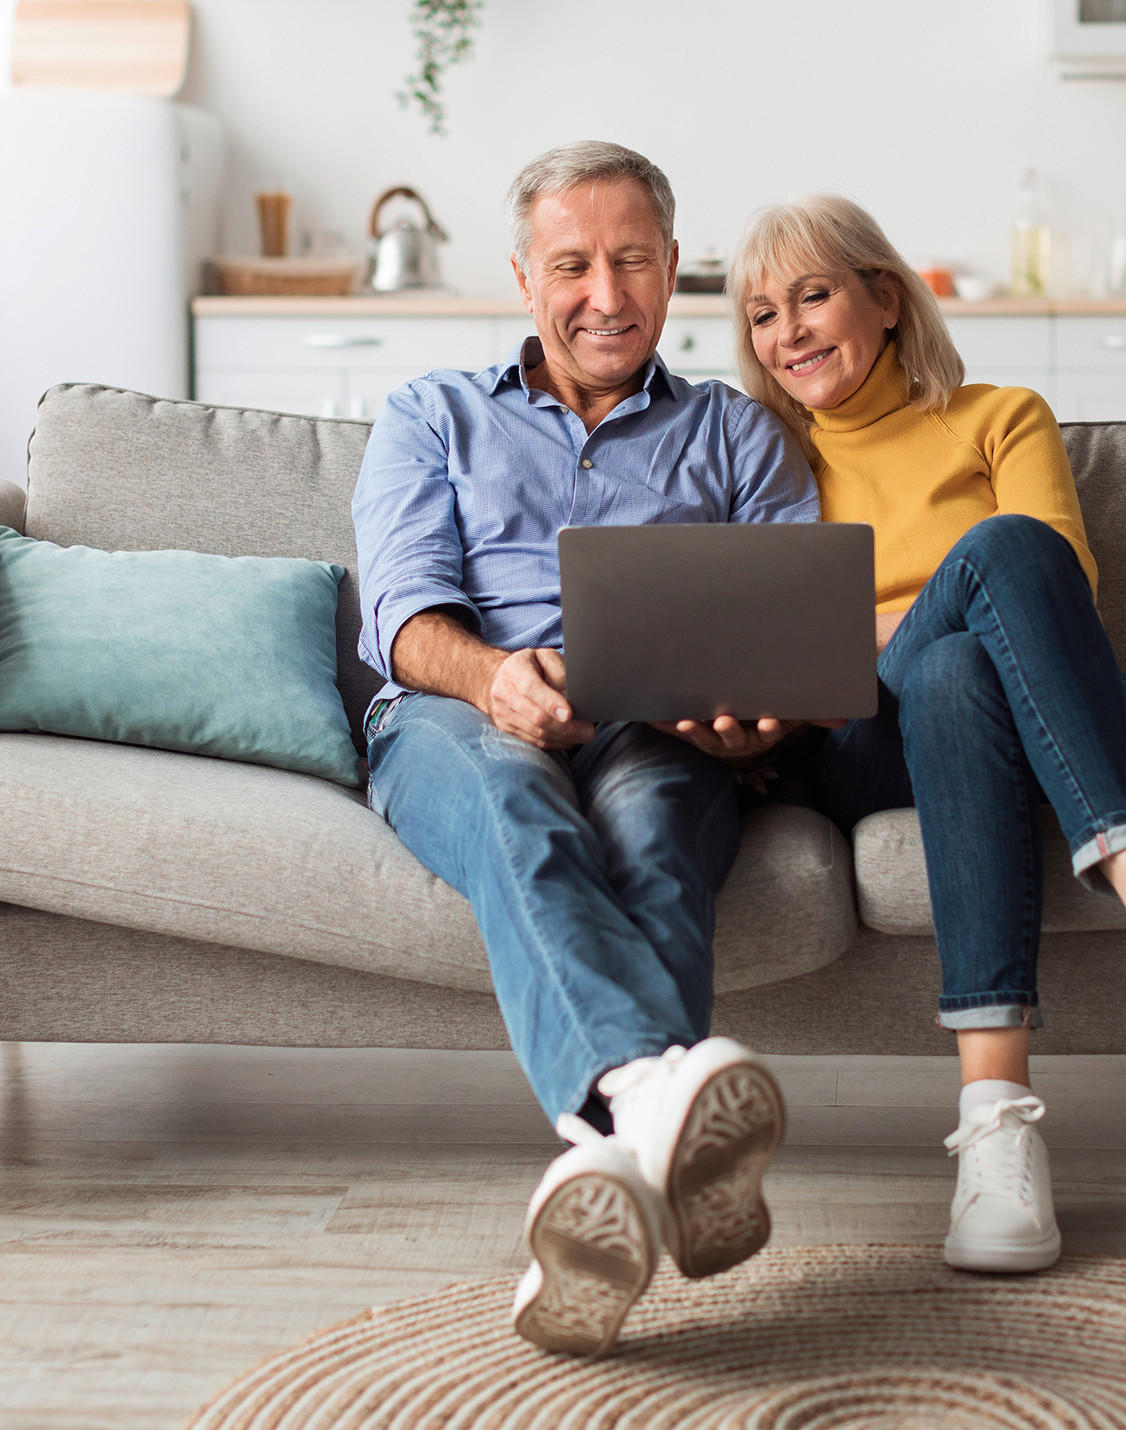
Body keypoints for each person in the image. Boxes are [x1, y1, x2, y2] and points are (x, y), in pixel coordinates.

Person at [729, 196, 1126, 1276]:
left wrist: (868, 624)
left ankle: (997, 1134)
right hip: (871, 741)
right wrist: (885, 629)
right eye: (762, 313)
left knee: (969, 645)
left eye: (813, 294)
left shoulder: (999, 415)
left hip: (1076, 712)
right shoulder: (764, 463)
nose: (789, 331)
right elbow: (783, 644)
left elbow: (1054, 581)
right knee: (957, 630)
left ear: (885, 298)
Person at [353, 142, 818, 1358]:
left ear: (672, 273)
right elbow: (400, 616)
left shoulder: (738, 435)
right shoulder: (427, 414)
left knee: (660, 832)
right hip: (458, 716)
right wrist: (495, 676)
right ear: (522, 276)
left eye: (629, 262)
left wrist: (762, 711)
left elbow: (793, 627)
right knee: (519, 810)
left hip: (657, 729)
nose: (602, 294)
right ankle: (651, 1095)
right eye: (572, 264)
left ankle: (602, 1160)